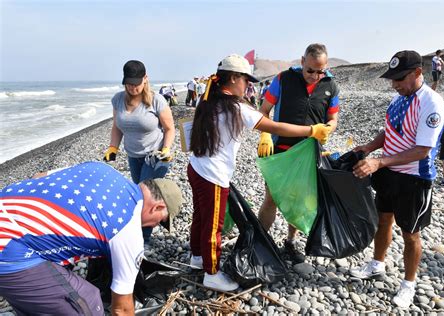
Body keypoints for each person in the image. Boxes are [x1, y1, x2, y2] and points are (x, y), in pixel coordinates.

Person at [187, 54, 331, 291]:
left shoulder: (208, 100)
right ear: (233, 78)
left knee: (200, 217)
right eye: (246, 80)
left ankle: (197, 257)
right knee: (213, 225)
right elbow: (274, 126)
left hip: (196, 167)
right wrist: (310, 130)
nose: (248, 86)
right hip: (212, 174)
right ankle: (211, 273)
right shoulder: (235, 107)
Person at [0, 161, 184, 316]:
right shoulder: (128, 230)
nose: (153, 226)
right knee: (88, 302)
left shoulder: (102, 169)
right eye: (160, 222)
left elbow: (39, 176)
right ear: (157, 208)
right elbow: (122, 308)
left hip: (6, 204)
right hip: (7, 247)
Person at [349, 50, 444, 309]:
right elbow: (389, 129)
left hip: (414, 178)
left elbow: (422, 150)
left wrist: (379, 161)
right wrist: (369, 148)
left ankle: (408, 285)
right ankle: (377, 264)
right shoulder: (398, 98)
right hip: (390, 172)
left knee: (410, 233)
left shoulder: (431, 103)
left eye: (399, 79)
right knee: (383, 220)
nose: (394, 84)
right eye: (392, 79)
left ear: (418, 73)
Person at [257, 43, 340, 263]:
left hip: (309, 153)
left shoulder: (331, 85)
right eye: (310, 70)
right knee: (271, 198)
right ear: (302, 62)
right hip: (281, 151)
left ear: (326, 67)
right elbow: (264, 111)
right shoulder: (283, 79)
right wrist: (265, 135)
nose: (314, 76)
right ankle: (259, 241)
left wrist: (329, 129)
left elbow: (333, 118)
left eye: (319, 71)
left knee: (299, 200)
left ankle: (290, 242)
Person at [103, 60, 176, 244]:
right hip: (133, 156)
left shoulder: (156, 100)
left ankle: (142, 240)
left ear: (145, 79)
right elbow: (117, 127)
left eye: (136, 84)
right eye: (129, 84)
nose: (133, 88)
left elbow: (169, 128)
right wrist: (113, 147)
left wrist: (166, 149)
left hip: (155, 157)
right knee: (139, 193)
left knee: (144, 197)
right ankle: (157, 218)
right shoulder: (118, 100)